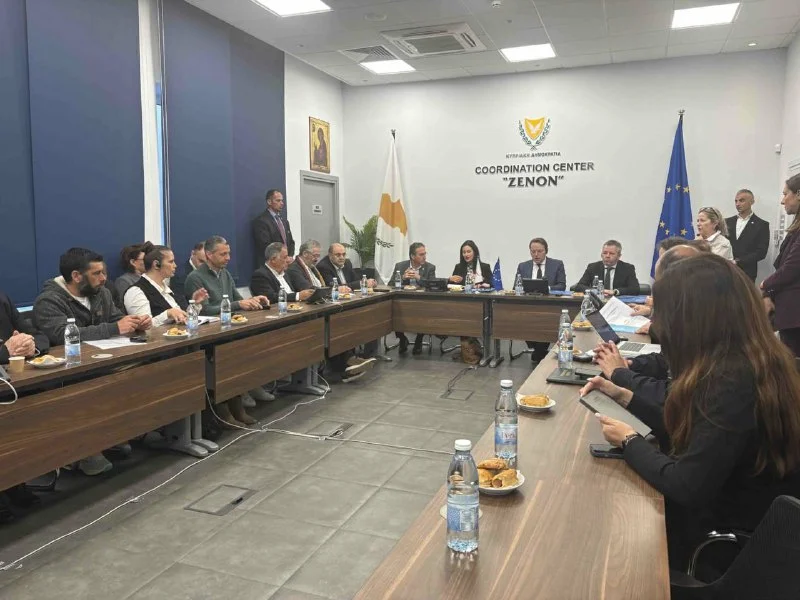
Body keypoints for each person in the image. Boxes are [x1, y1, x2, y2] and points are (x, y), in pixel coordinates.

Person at [583, 253, 800, 570]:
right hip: (747, 523)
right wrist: (625, 396)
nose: (659, 326)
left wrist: (629, 441)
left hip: (721, 551)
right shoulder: (751, 359)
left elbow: (686, 485)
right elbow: (699, 429)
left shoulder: (731, 380)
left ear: (693, 319)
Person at [33, 248, 150, 476]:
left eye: (103, 272)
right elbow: (61, 335)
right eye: (97, 273)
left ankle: (115, 435)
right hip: (68, 372)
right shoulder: (48, 301)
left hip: (101, 361)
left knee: (138, 373)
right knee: (91, 388)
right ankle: (84, 450)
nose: (104, 278)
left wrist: (135, 322)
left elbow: (116, 318)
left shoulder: (101, 293)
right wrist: (114, 328)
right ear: (76, 276)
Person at [184, 236, 272, 424]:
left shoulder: (225, 274)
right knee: (225, 361)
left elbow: (238, 299)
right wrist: (237, 304)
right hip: (210, 336)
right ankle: (224, 412)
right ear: (209, 255)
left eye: (229, 253)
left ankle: (238, 405)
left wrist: (254, 300)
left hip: (230, 331)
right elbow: (204, 310)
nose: (228, 258)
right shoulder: (195, 278)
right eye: (223, 254)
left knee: (241, 358)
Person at [762, 174, 800, 356]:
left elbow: (791, 268)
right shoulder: (796, 228)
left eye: (786, 194)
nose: (782, 200)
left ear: (798, 194)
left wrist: (764, 286)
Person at [124, 245, 209, 326]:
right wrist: (167, 314)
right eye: (171, 262)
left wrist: (195, 305)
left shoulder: (166, 289)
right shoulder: (136, 291)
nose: (175, 265)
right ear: (156, 264)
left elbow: (183, 318)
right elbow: (143, 326)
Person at [515, 237, 567, 362]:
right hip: (527, 306)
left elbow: (561, 285)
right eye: (533, 251)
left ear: (546, 251)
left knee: (545, 321)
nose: (536, 254)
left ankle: (539, 351)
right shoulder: (523, 266)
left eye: (539, 251)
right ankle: (539, 350)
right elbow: (516, 286)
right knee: (522, 320)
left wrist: (546, 288)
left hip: (549, 306)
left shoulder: (557, 264)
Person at [388, 242, 436, 354]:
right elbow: (390, 284)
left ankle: (419, 339)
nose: (425, 257)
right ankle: (402, 338)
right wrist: (402, 278)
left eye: (425, 254)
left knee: (424, 312)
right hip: (403, 302)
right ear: (412, 256)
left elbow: (433, 285)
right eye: (421, 254)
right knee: (394, 311)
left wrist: (419, 277)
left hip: (422, 302)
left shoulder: (430, 267)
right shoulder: (400, 266)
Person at [449, 241, 491, 364]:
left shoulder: (484, 267)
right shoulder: (459, 267)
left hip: (480, 304)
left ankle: (473, 349)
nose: (466, 254)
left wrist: (483, 283)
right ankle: (469, 348)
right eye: (464, 252)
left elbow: (492, 284)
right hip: (462, 304)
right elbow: (452, 285)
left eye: (468, 251)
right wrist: (450, 280)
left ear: (475, 252)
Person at [725, 189, 770, 282]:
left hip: (747, 273)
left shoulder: (761, 225)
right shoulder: (727, 222)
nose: (737, 204)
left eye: (741, 200)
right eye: (736, 201)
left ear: (752, 202)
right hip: (726, 271)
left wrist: (738, 261)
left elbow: (761, 252)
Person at [250, 243, 315, 305]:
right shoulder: (260, 275)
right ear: (273, 259)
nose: (288, 260)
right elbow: (270, 297)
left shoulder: (286, 273)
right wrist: (297, 296)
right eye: (285, 257)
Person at [573, 240, 640, 296]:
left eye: (611, 253)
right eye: (605, 253)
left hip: (618, 302)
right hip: (598, 302)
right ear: (601, 255)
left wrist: (615, 292)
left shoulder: (628, 268)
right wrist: (596, 291)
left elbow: (635, 289)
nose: (607, 256)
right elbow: (579, 286)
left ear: (619, 256)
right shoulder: (593, 267)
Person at [252, 189, 295, 266]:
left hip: (286, 264)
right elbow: (266, 246)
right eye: (278, 200)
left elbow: (290, 242)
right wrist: (282, 257)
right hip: (271, 263)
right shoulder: (261, 221)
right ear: (269, 202)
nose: (282, 203)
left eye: (282, 200)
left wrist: (290, 256)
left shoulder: (284, 221)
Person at [169, 241, 206, 307]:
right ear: (192, 254)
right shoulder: (179, 274)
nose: (205, 266)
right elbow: (181, 304)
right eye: (201, 261)